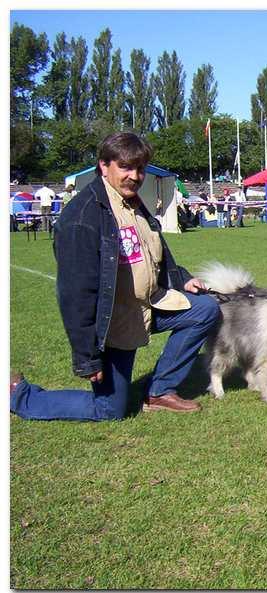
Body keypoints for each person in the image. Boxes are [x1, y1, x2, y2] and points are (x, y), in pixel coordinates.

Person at [9, 132, 220, 421]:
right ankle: (18, 394)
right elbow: (75, 294)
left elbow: (156, 251)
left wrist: (182, 278)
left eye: (140, 168)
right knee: (109, 410)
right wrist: (87, 357)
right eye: (126, 167)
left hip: (150, 305)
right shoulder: (82, 217)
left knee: (204, 309)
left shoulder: (132, 202)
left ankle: (159, 391)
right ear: (103, 166)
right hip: (115, 322)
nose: (135, 176)